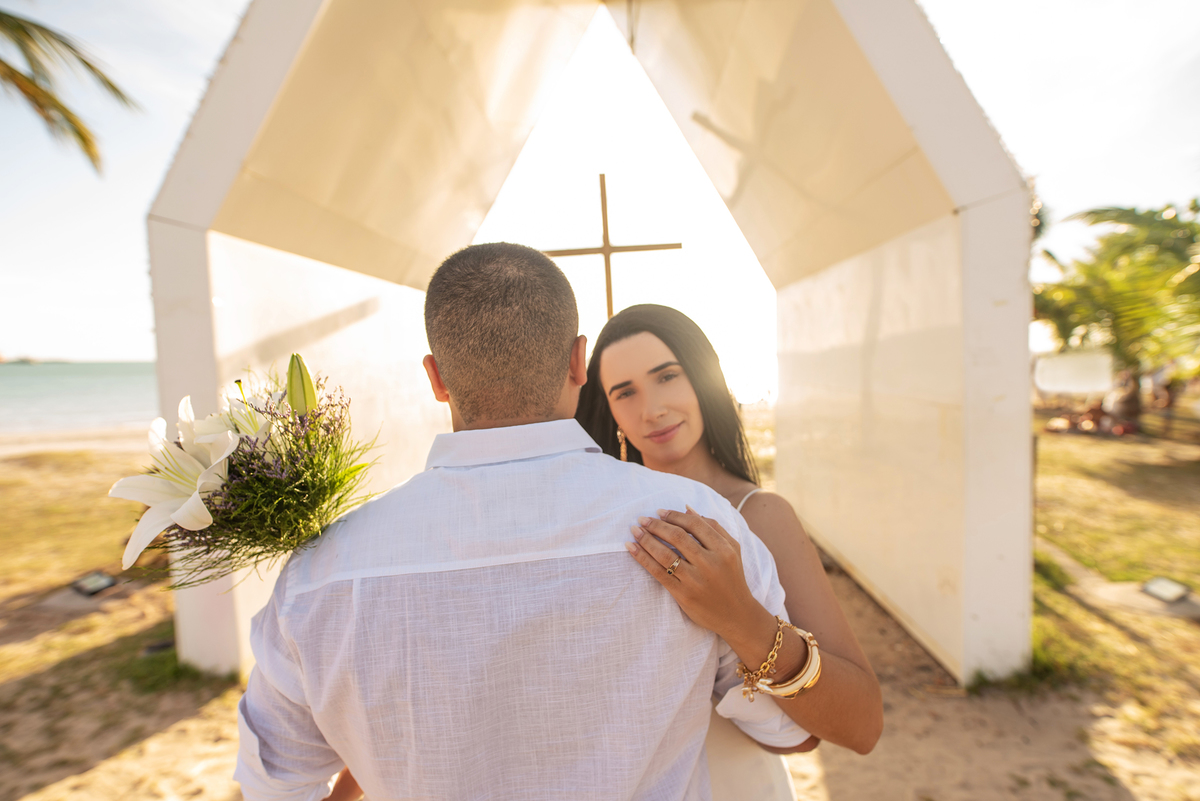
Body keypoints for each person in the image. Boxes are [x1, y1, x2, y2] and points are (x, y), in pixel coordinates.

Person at [235, 245, 817, 801]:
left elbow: (274, 785)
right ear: (577, 361)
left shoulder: (320, 575)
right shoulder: (695, 527)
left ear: (436, 378)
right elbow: (788, 729)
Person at [576, 304, 883, 800]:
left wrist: (740, 617)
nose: (651, 409)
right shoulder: (597, 526)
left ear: (703, 379)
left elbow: (862, 725)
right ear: (607, 410)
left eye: (667, 377)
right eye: (625, 392)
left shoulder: (760, 516)